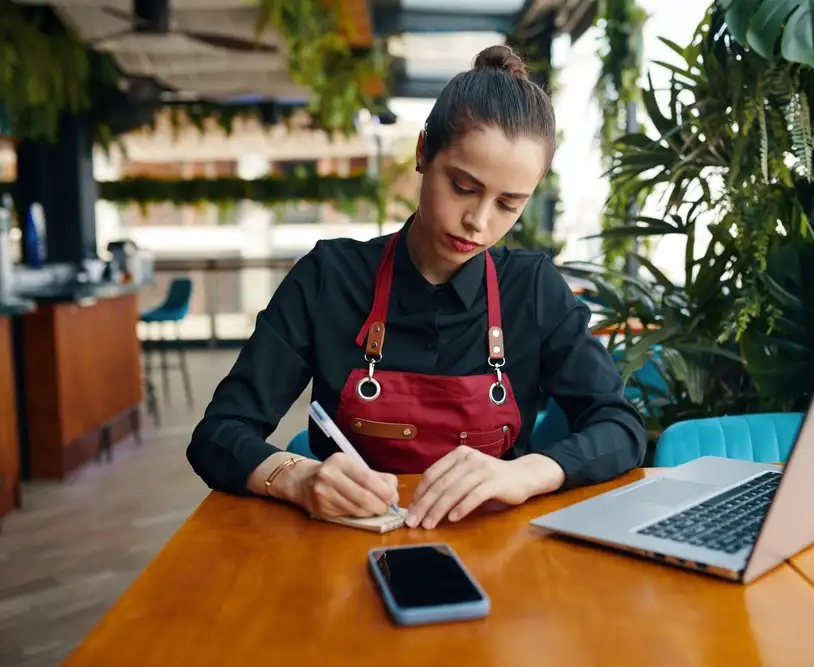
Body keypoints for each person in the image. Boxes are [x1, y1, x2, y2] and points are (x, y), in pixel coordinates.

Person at [186, 45, 646, 530]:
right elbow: (218, 433)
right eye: (463, 186)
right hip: (342, 546)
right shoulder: (329, 278)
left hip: (496, 550)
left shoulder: (531, 289)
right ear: (423, 151)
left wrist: (526, 474)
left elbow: (620, 426)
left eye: (509, 205)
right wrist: (296, 477)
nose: (478, 221)